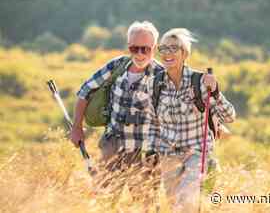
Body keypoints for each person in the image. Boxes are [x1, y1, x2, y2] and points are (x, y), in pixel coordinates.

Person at [70, 21, 163, 209]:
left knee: (146, 207)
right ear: (128, 46)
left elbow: (183, 105)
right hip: (112, 148)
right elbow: (84, 92)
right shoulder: (117, 66)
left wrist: (214, 123)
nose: (139, 54)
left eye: (145, 49)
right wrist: (77, 127)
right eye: (134, 48)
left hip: (146, 154)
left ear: (154, 48)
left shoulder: (163, 76)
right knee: (103, 203)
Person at [147, 28, 236, 212]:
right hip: (168, 155)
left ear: (184, 53)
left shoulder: (200, 82)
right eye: (163, 49)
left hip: (197, 153)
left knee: (186, 202)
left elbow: (230, 116)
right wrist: (150, 150)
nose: (167, 53)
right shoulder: (155, 84)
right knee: (174, 206)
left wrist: (216, 91)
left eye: (173, 48)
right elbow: (153, 122)